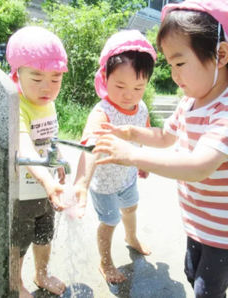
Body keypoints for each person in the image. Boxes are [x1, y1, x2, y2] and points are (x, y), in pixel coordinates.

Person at [93, 1, 228, 297]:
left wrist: (132, 154)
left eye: (179, 63)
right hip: (201, 224)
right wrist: (133, 131)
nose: (174, 75)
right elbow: (165, 136)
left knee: (206, 291)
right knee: (191, 272)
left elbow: (199, 166)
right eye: (170, 65)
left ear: (221, 54)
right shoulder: (190, 102)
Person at [72, 29, 156, 284]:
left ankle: (131, 238)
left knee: (131, 209)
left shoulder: (140, 107)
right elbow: (90, 148)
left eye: (138, 87)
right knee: (109, 220)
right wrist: (82, 184)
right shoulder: (103, 111)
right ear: (105, 78)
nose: (129, 94)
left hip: (128, 176)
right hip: (104, 183)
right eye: (120, 85)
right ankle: (105, 261)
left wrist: (141, 161)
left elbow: (143, 135)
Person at [6, 26, 68, 297]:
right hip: (23, 192)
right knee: (18, 242)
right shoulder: (18, 105)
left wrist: (59, 160)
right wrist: (46, 179)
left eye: (55, 79)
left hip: (46, 188)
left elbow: (50, 138)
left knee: (45, 234)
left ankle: (41, 274)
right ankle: (15, 282)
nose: (47, 87)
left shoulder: (48, 103)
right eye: (38, 78)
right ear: (17, 75)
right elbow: (25, 143)